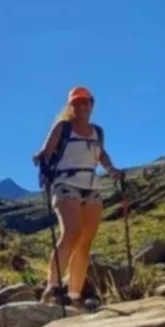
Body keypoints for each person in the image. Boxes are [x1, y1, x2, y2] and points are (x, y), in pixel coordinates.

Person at [32, 86, 123, 307]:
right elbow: (45, 153)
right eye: (77, 102)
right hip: (65, 184)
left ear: (92, 105)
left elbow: (101, 154)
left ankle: (74, 296)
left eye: (86, 102)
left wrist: (111, 169)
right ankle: (52, 287)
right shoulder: (62, 128)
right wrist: (40, 160)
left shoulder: (97, 132)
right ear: (70, 106)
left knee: (84, 243)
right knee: (72, 232)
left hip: (91, 186)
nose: (82, 106)